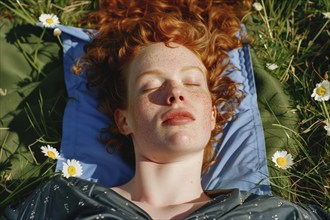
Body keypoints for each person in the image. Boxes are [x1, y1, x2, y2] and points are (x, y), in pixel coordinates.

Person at [3, 0, 329, 219]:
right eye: (150, 86)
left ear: (214, 114)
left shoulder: (272, 213)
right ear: (124, 119)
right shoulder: (66, 199)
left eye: (191, 82)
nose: (175, 93)